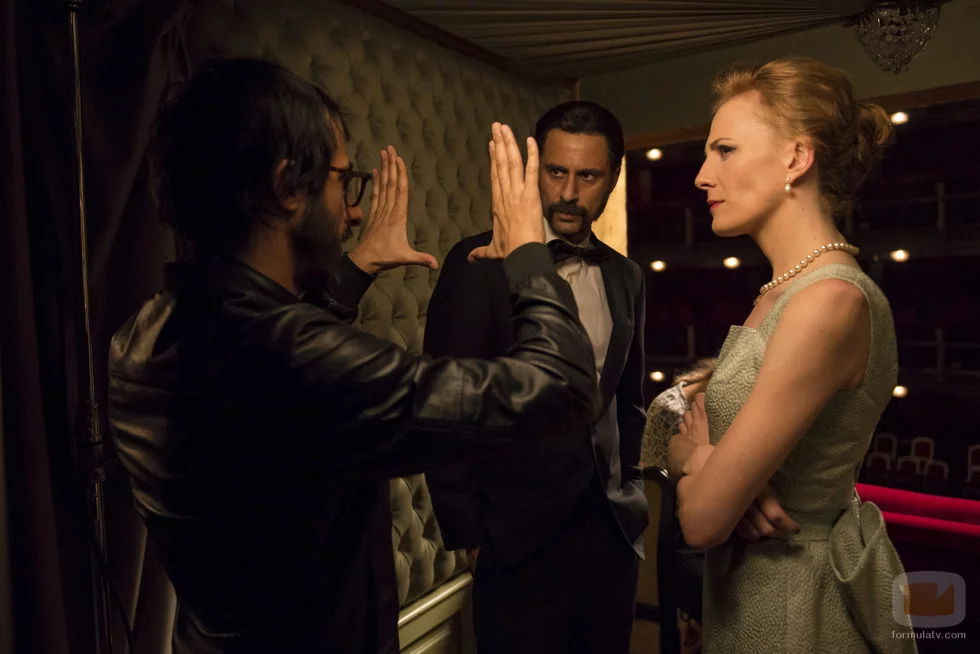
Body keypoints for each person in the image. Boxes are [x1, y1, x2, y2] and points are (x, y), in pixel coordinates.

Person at [107, 57, 602, 654]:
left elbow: (282, 384)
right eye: (345, 180)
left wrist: (355, 268)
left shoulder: (145, 333)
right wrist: (528, 252)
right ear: (289, 188)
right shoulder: (289, 359)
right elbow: (561, 386)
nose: (356, 208)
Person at [667, 57, 917, 652]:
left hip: (795, 609)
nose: (701, 176)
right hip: (742, 599)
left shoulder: (829, 302)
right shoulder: (781, 293)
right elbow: (668, 417)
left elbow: (700, 521)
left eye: (725, 151)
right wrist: (703, 461)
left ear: (796, 158)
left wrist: (705, 471)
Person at [424, 101, 647, 654]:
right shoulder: (477, 262)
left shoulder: (626, 276)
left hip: (610, 539)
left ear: (612, 178)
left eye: (588, 176)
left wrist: (632, 494)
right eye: (555, 172)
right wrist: (471, 537)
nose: (568, 192)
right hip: (515, 544)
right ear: (534, 171)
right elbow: (447, 405)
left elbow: (627, 401)